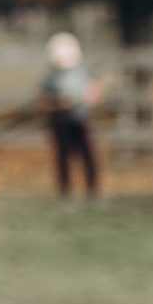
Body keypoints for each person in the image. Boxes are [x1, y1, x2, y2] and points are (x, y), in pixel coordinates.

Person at [40, 30, 100, 201]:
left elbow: (93, 93)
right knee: (63, 157)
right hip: (59, 121)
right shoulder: (50, 77)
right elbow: (43, 101)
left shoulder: (82, 72)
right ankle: (66, 192)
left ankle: (93, 190)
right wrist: (59, 104)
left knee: (88, 156)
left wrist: (89, 98)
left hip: (80, 119)